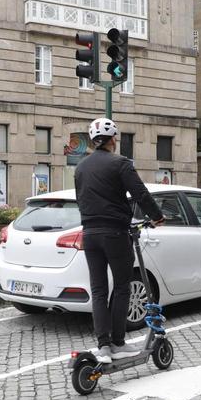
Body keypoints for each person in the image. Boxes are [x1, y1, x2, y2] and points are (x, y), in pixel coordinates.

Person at [74, 117, 165, 364]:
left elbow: (81, 199)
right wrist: (157, 216)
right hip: (114, 233)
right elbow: (140, 193)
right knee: (122, 287)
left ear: (93, 141)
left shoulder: (80, 167)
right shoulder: (121, 163)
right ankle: (117, 342)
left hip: (89, 234)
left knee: (99, 290)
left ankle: (103, 346)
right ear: (113, 139)